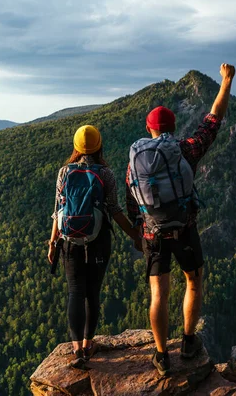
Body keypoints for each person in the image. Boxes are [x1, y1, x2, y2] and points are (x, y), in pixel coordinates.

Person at [125, 63, 236, 375]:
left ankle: (161, 355)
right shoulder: (186, 149)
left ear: (149, 129)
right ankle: (188, 343)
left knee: (158, 292)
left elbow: (132, 201)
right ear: (172, 128)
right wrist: (226, 81)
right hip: (185, 230)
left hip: (152, 234)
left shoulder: (137, 160)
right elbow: (213, 120)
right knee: (194, 282)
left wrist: (138, 231)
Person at [48, 124, 141, 369]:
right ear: (99, 145)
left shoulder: (64, 172)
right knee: (92, 294)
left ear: (76, 147)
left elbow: (58, 211)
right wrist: (135, 236)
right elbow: (115, 211)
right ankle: (89, 345)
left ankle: (77, 350)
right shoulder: (105, 174)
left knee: (75, 292)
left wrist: (52, 242)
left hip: (69, 242)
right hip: (99, 241)